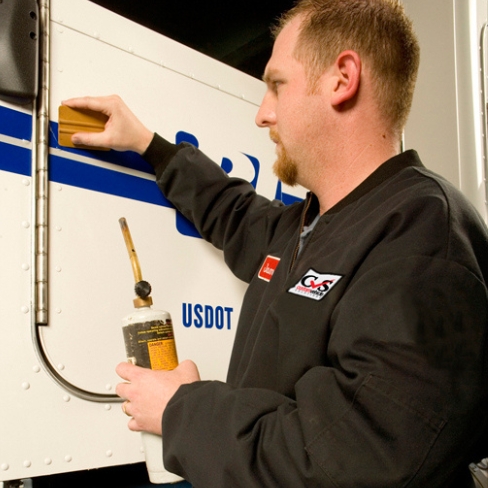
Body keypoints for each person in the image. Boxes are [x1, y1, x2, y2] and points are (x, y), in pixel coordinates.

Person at [63, 0, 488, 486]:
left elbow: (352, 461)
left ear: (341, 79)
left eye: (276, 85)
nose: (263, 115)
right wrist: (147, 144)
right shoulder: (308, 225)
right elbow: (233, 211)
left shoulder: (423, 235)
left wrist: (183, 410)